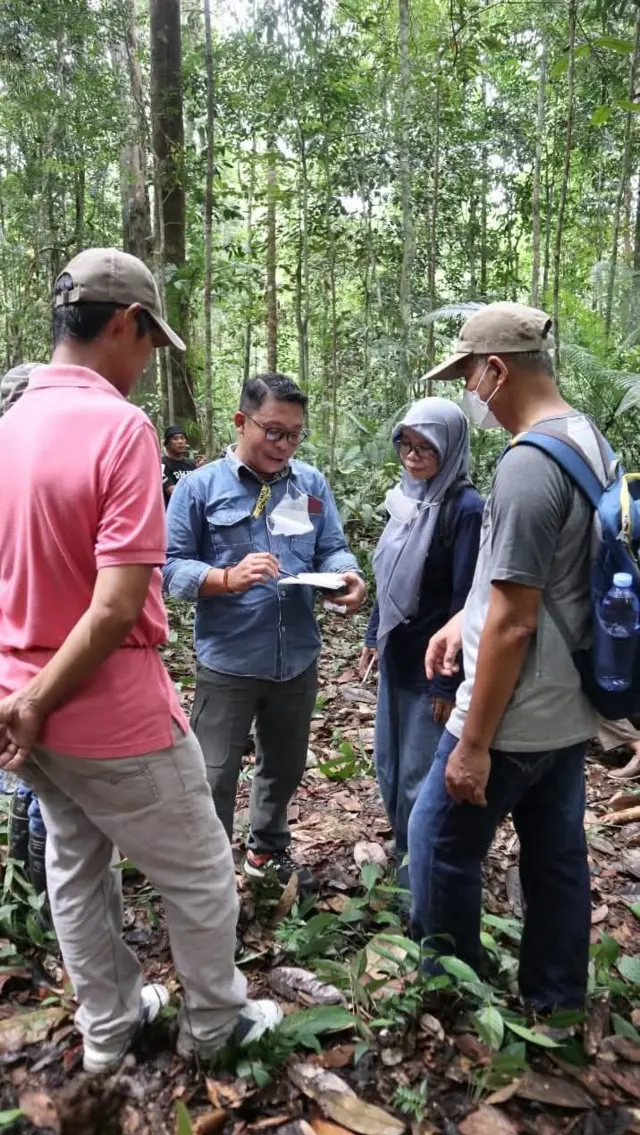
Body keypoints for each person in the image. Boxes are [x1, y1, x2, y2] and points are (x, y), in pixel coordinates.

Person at [0, 248, 281, 1074]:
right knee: (198, 869)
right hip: (107, 711)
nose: (149, 361)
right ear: (122, 324)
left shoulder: (8, 424)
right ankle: (215, 1024)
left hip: (27, 707)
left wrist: (20, 702)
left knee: (75, 860)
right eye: (150, 342)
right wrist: (40, 701)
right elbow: (119, 601)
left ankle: (110, 1027)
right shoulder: (121, 426)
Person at [408, 302, 608, 1014]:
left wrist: (474, 743)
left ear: (497, 369)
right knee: (556, 859)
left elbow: (517, 623)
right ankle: (556, 1002)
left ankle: (452, 999)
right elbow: (540, 574)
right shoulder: (586, 439)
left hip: (515, 714)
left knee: (436, 842)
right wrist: (463, 617)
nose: (469, 390)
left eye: (468, 373)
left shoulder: (527, 464)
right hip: (568, 706)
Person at [164, 371, 367, 890]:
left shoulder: (310, 485)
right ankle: (209, 875)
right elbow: (168, 567)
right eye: (273, 431)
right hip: (228, 658)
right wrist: (225, 578)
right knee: (213, 774)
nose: (283, 444)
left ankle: (265, 853)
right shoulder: (197, 487)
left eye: (294, 434)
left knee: (285, 764)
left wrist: (347, 577)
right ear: (241, 421)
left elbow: (333, 547)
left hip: (295, 656)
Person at [359, 398, 483, 890]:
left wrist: (446, 684)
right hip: (397, 654)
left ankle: (420, 875)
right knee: (387, 765)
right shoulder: (406, 499)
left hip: (434, 666)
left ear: (449, 447)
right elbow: (388, 576)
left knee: (418, 774)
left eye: (425, 446)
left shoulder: (465, 509)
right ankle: (404, 847)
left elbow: (467, 602)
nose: (413, 456)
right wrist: (374, 635)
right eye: (406, 444)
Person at [0, 365, 49, 905]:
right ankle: (46, 908)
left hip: (20, 645)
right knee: (44, 787)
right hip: (31, 644)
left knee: (27, 777)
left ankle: (27, 899)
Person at [162, 425, 197, 505]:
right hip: (171, 512)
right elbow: (172, 491)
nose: (180, 441)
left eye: (182, 438)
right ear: (167, 444)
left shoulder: (191, 464)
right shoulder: (162, 464)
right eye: (175, 439)